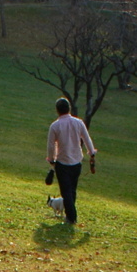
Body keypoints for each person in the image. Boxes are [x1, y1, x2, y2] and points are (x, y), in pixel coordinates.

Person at [46, 96, 96, 225]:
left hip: (62, 162)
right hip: (76, 162)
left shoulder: (55, 126)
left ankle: (71, 217)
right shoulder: (78, 122)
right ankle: (70, 213)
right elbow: (86, 138)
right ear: (69, 108)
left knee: (66, 191)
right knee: (72, 189)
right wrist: (91, 153)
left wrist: (51, 159)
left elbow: (51, 145)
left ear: (57, 110)